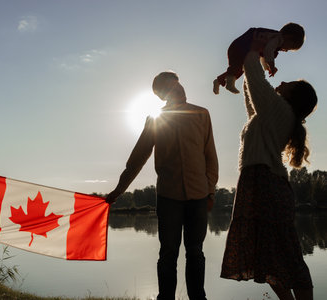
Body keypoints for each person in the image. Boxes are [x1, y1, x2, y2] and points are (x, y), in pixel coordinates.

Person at [105, 71, 219, 300]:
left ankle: (199, 298)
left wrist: (210, 191)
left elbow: (210, 156)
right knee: (168, 253)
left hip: (198, 196)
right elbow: (137, 158)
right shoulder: (155, 119)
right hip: (169, 198)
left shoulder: (202, 114)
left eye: (178, 84)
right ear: (162, 95)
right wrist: (118, 191)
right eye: (172, 87)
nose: (179, 88)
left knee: (196, 252)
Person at [220, 47, 317, 300]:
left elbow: (255, 79)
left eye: (289, 83)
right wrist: (241, 70)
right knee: (266, 252)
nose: (282, 81)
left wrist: (256, 49)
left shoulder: (280, 109)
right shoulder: (272, 112)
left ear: (293, 95)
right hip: (257, 182)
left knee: (285, 251)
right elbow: (252, 97)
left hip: (266, 183)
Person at [213, 22, 305, 95]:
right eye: (290, 47)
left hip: (245, 48)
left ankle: (219, 80)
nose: (287, 50)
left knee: (239, 69)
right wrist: (271, 66)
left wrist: (267, 67)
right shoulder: (277, 38)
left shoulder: (274, 41)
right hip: (241, 46)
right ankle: (229, 83)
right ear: (289, 37)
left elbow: (265, 55)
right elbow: (268, 51)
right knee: (236, 66)